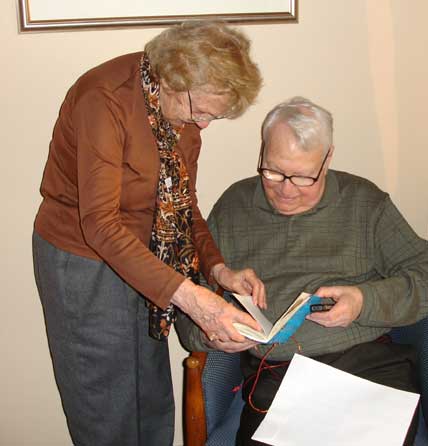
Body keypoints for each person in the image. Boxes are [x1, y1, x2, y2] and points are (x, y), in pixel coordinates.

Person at [32, 21, 267, 446]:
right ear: (175, 79)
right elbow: (100, 225)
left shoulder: (182, 115)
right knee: (106, 403)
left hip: (148, 256)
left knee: (152, 395)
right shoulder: (103, 100)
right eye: (203, 111)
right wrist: (193, 298)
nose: (205, 125)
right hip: (84, 260)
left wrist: (218, 271)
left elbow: (183, 205)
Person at [176, 97, 428, 445]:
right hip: (278, 376)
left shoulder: (365, 203)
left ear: (328, 159)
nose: (286, 189)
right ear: (262, 153)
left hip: (368, 368)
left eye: (304, 177)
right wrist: (212, 333)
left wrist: (364, 301)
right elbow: (189, 300)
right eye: (273, 171)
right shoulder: (234, 206)